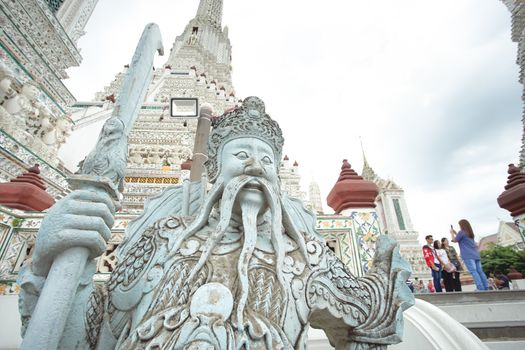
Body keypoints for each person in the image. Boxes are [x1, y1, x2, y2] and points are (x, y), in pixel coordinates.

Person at [19, 97, 414, 349]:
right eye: (241, 153)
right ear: (213, 169)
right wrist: (50, 262)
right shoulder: (164, 238)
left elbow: (371, 322)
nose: (256, 165)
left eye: (267, 160)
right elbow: (88, 337)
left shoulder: (303, 257)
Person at [450, 220, 489, 291]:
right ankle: (486, 287)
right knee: (480, 271)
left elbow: (454, 240)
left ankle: (480, 288)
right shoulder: (470, 233)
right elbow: (461, 238)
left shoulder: (461, 232)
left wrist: (452, 233)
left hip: (468, 255)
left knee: (473, 272)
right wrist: (456, 233)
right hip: (476, 254)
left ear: (462, 225)